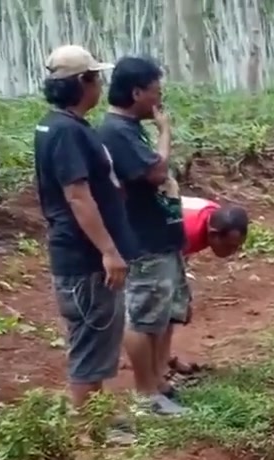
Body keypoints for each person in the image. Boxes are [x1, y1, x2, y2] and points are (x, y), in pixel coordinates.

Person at [33, 45, 139, 432]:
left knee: (93, 339)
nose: (101, 85)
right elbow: (77, 195)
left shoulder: (59, 125)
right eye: (96, 77)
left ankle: (97, 420)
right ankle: (87, 431)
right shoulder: (65, 132)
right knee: (89, 340)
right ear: (83, 83)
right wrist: (108, 251)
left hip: (78, 253)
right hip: (83, 257)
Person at [97, 55, 187, 415]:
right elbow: (156, 172)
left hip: (156, 236)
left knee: (161, 314)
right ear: (136, 92)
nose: (158, 100)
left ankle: (158, 382)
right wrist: (165, 132)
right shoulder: (117, 132)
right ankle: (145, 393)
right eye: (155, 92)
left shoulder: (129, 129)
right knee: (144, 315)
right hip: (141, 241)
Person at [163, 196, 249, 380]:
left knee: (171, 305)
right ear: (213, 234)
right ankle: (153, 373)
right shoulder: (190, 231)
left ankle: (163, 358)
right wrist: (183, 297)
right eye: (230, 246)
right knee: (157, 307)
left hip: (164, 240)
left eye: (238, 247)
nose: (233, 252)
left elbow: (179, 260)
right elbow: (165, 266)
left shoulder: (217, 217)